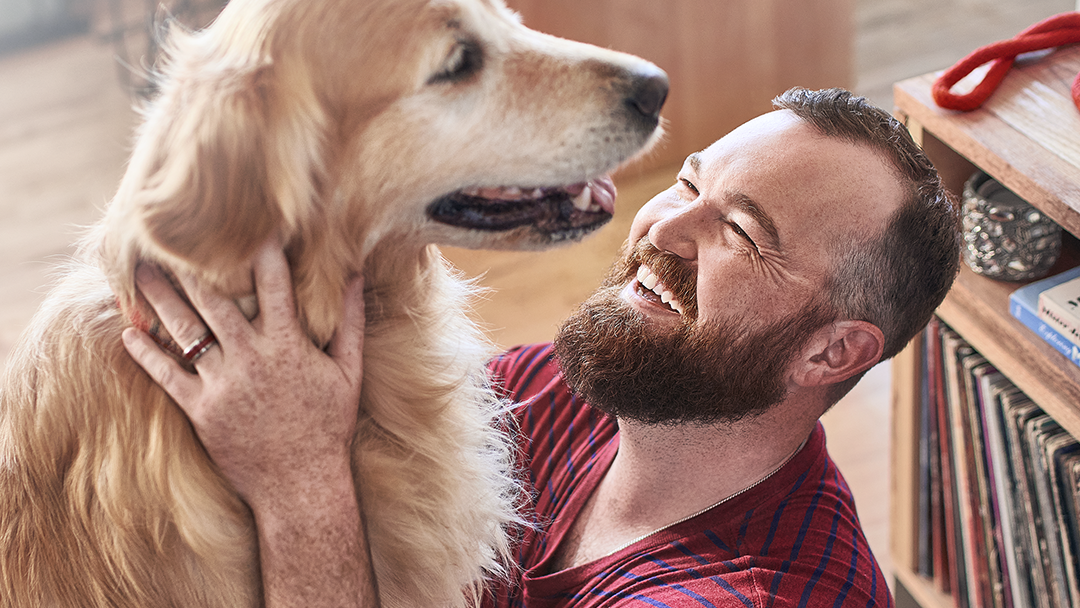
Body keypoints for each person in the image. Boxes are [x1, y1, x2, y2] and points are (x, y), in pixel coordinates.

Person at [122, 87, 961, 607]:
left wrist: (299, 491)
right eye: (689, 184)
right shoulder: (581, 392)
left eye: (739, 232)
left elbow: (314, 467)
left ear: (830, 353)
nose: (662, 227)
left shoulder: (751, 596)